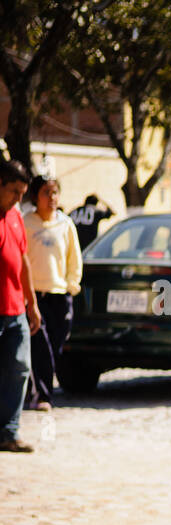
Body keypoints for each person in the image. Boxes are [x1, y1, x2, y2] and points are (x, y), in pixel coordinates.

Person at [22, 175, 81, 412]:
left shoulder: (65, 224)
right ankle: (43, 395)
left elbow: (73, 258)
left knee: (55, 344)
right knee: (41, 344)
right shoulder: (26, 222)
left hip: (60, 293)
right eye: (46, 193)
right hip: (35, 294)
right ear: (36, 197)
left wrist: (71, 285)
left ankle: (35, 384)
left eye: (55, 192)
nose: (52, 198)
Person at [1, 160, 39, 452]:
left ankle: (9, 432)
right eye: (14, 191)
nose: (18, 199)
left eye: (22, 193)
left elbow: (23, 260)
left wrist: (32, 303)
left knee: (20, 367)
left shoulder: (15, 217)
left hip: (15, 308)